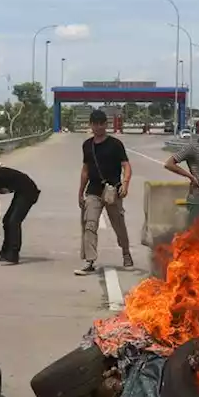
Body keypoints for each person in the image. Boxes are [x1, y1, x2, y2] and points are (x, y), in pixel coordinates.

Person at [77, 109, 133, 275]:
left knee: (118, 224)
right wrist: (80, 193)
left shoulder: (115, 144)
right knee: (89, 224)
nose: (98, 127)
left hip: (112, 191)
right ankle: (90, 261)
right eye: (95, 124)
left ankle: (126, 252)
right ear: (91, 125)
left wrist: (125, 184)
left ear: (106, 125)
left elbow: (126, 166)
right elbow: (85, 170)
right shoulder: (87, 145)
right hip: (93, 190)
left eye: (101, 124)